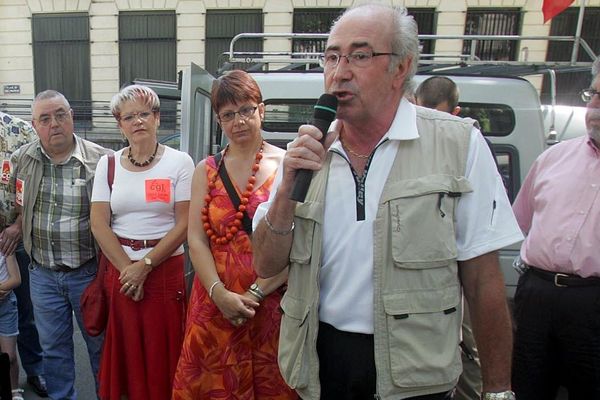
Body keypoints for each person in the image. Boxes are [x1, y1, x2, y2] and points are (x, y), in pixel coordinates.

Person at [252, 4, 523, 400]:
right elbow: (265, 264)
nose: (339, 71)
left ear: (401, 68)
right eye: (331, 56)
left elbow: (483, 281)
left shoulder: (457, 144)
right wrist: (284, 193)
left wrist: (498, 390)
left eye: (360, 56)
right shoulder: (308, 151)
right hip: (321, 364)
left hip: (417, 371)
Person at [171, 70, 296, 400]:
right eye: (228, 114)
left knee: (270, 384)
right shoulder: (207, 170)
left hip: (269, 303)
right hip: (214, 301)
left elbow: (302, 247)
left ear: (262, 110)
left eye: (246, 110)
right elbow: (196, 239)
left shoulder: (288, 166)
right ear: (218, 120)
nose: (238, 121)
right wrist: (218, 293)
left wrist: (256, 293)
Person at [90, 84, 193, 400]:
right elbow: (98, 222)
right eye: (128, 116)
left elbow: (185, 223)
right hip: (122, 274)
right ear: (119, 124)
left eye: (144, 114)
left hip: (163, 271)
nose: (137, 122)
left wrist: (145, 265)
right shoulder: (107, 165)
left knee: (166, 353)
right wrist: (128, 270)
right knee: (129, 355)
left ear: (157, 118)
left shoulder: (180, 163)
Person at [9, 90, 109, 399]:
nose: (54, 124)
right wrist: (16, 224)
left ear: (72, 118)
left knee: (100, 348)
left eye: (60, 115)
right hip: (42, 276)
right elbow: (18, 206)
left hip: (88, 275)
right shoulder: (21, 159)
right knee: (54, 352)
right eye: (45, 118)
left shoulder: (102, 160)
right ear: (34, 125)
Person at [511, 57, 600, 400]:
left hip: (592, 301)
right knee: (527, 386)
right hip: (537, 296)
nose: (593, 107)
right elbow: (521, 221)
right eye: (592, 95)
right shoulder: (554, 158)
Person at [415, 75, 483, 400]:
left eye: (438, 116)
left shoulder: (466, 145)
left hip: (457, 271)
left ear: (454, 113)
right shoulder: (406, 143)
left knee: (467, 349)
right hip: (415, 276)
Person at [0, 111, 47, 397]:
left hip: (16, 236)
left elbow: (40, 181)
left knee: (26, 310)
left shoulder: (18, 129)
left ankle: (35, 370)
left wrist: (18, 224)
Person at [0, 252, 23, 399]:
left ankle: (14, 389)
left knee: (10, 356)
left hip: (6, 307)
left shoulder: (4, 245)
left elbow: (16, 279)